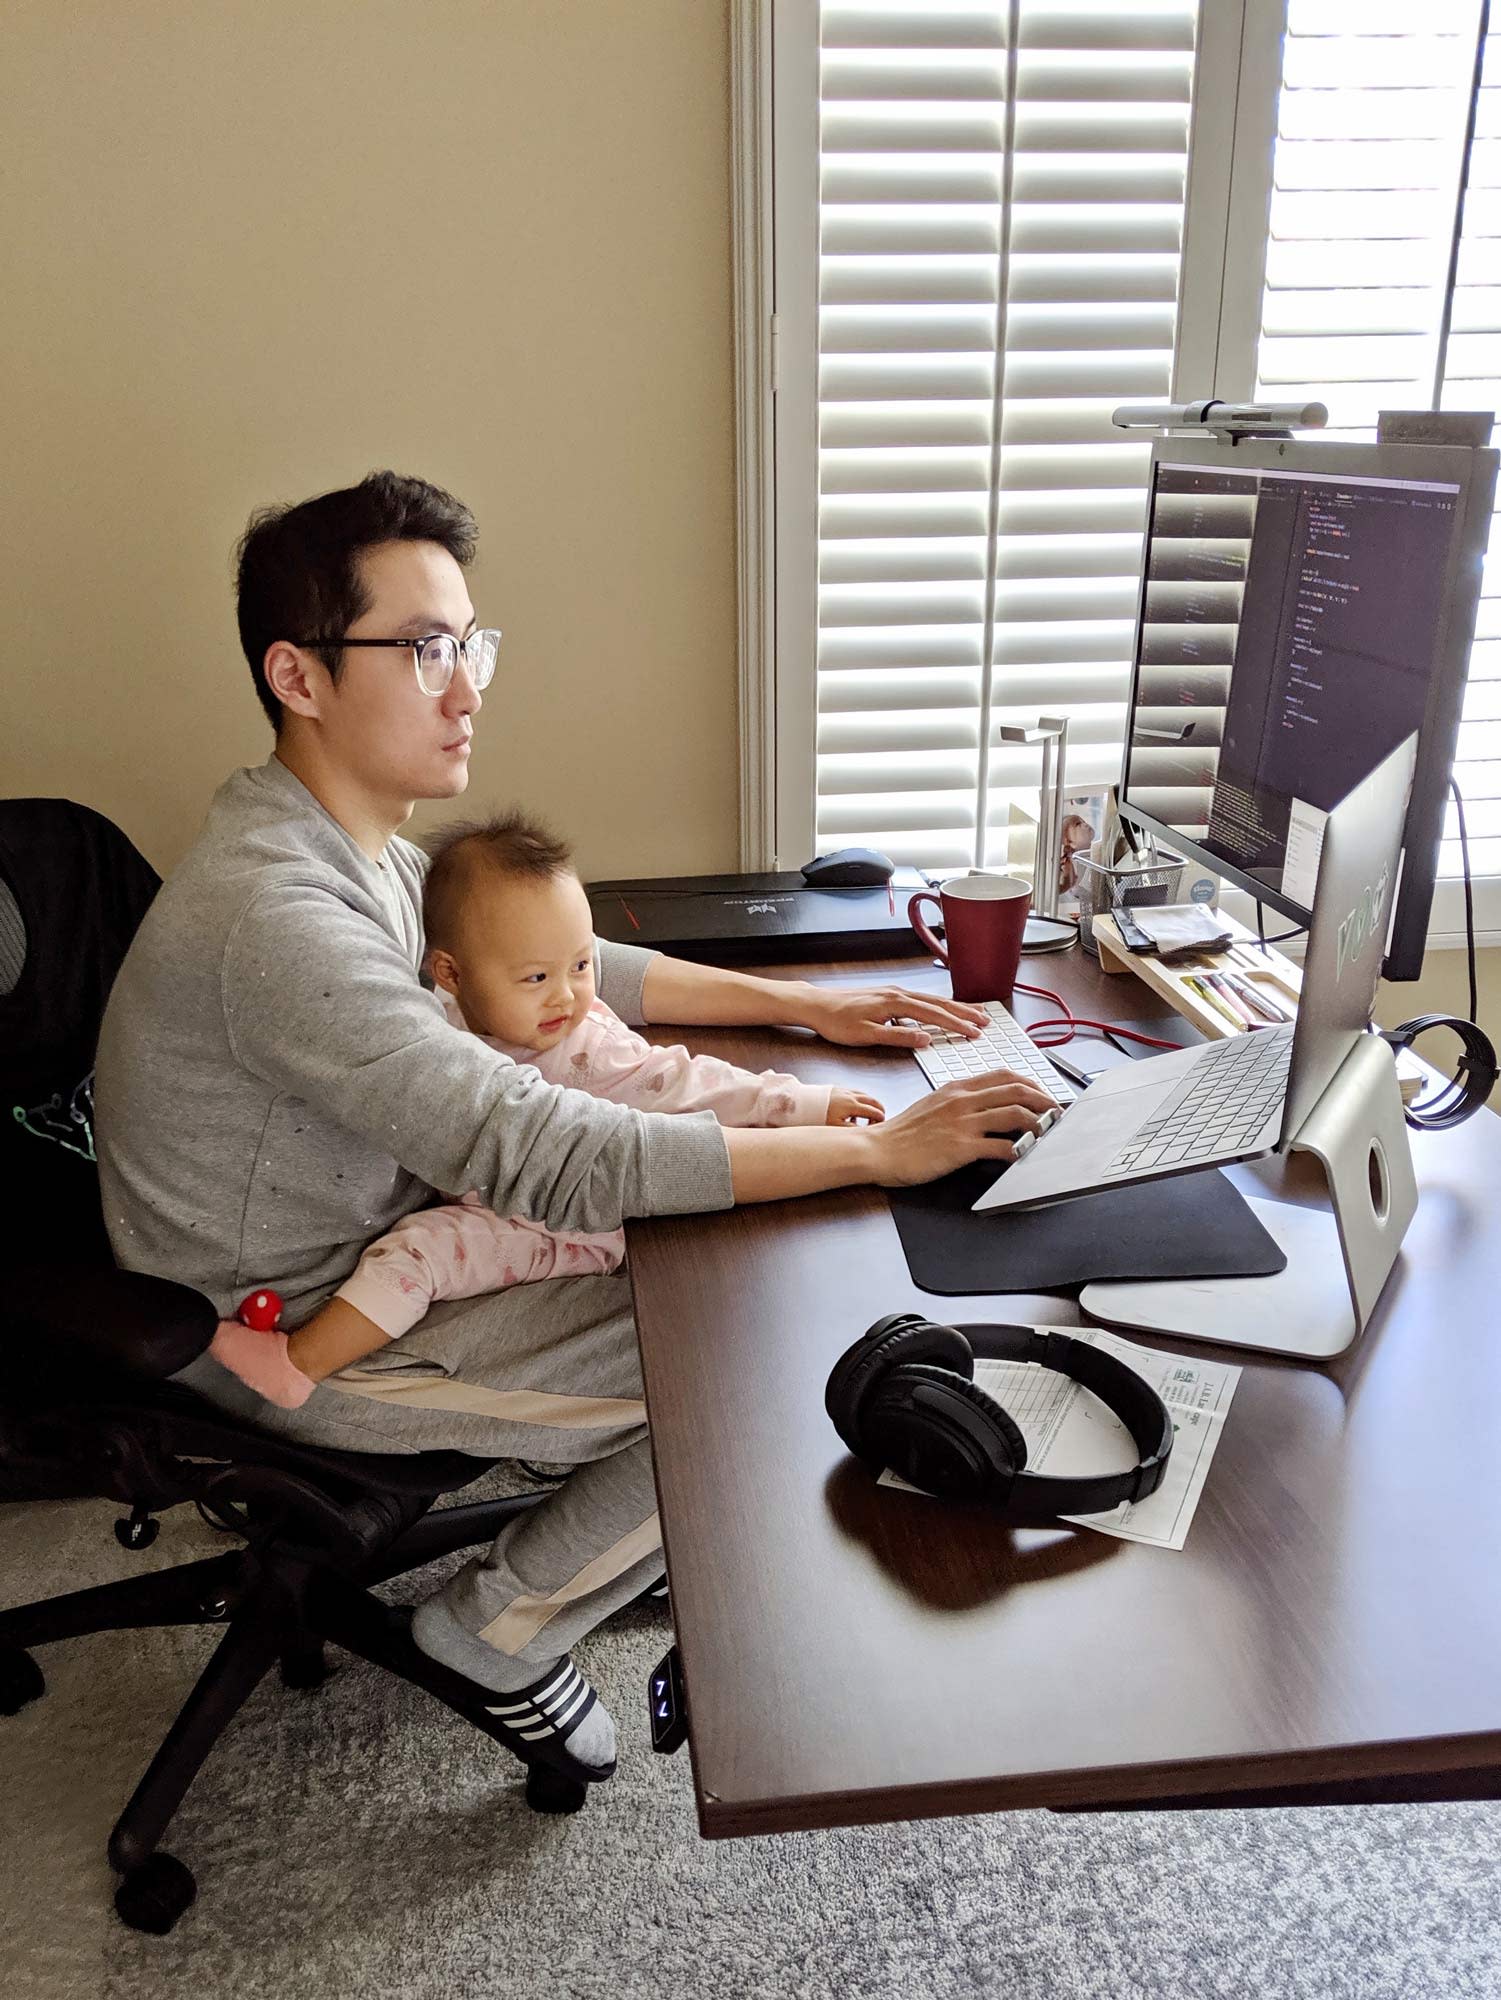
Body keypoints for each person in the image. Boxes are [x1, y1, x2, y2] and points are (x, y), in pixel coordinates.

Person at [94, 471, 1057, 1789]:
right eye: (423, 649)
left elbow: (554, 955)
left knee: (744, 1270)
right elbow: (549, 1157)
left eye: (470, 644)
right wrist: (881, 1148)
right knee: (749, 1361)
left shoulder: (358, 841)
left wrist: (805, 1013)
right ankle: (496, 1625)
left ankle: (589, 1544)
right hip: (291, 1321)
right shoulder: (280, 912)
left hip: (390, 1230)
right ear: (298, 676)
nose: (467, 686)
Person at [210, 806, 887, 1410]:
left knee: (419, 1252)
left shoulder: (583, 1044)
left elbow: (687, 1085)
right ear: (449, 972)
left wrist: (804, 1104)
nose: (567, 997)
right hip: (491, 1187)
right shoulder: (428, 1016)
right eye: (536, 977)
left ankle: (298, 1365)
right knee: (418, 1240)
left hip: (568, 1218)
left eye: (581, 965)